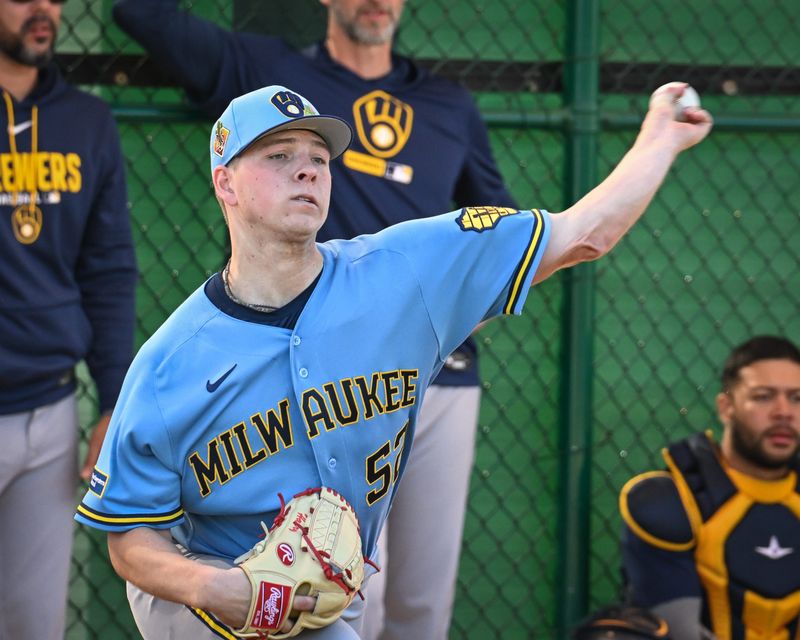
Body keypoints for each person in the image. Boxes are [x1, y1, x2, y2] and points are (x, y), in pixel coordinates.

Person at [74, 81, 710, 639]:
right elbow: (130, 539)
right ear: (225, 184)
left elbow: (582, 234)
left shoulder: (406, 273)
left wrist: (659, 139)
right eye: (279, 156)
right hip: (206, 599)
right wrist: (213, 588)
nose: (308, 171)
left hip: (327, 598)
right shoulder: (168, 363)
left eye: (319, 158)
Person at [110, 2, 517, 637]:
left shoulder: (448, 104)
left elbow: (496, 245)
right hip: (312, 376)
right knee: (341, 592)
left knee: (421, 601)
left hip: (435, 380)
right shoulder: (274, 76)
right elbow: (143, 15)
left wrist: (433, 328)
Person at [0, 0, 138, 638]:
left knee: (35, 624)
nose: (42, 10)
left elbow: (107, 272)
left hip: (53, 414)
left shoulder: (86, 121)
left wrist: (112, 399)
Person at [619, 335, 800, 640]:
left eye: (797, 398)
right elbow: (678, 632)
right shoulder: (674, 500)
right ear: (726, 407)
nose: (784, 412)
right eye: (763, 396)